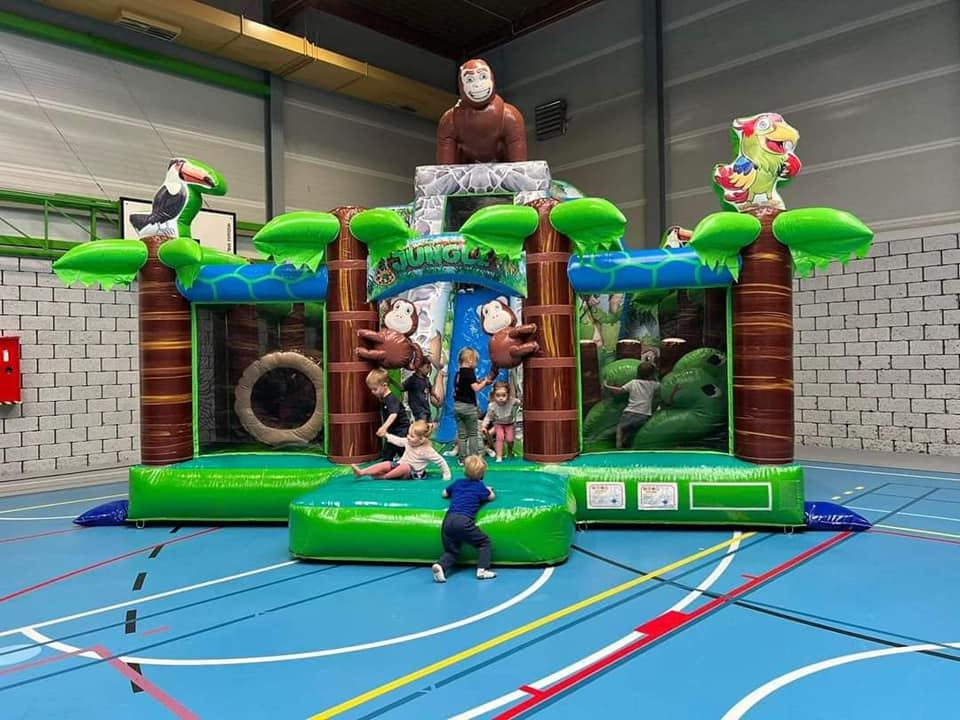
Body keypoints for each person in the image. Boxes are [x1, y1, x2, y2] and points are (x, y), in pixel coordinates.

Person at [432, 455, 496, 582]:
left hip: (448, 520)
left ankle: (441, 565)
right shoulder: (479, 487)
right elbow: (491, 497)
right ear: (482, 475)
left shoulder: (458, 483)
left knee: (452, 551)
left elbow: (444, 493)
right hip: (463, 521)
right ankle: (482, 570)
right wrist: (489, 490)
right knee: (484, 542)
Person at [352, 420, 450, 480]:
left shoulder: (427, 450)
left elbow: (441, 461)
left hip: (413, 473)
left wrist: (446, 474)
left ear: (421, 439)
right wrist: (386, 435)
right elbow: (398, 440)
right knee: (387, 463)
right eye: (408, 434)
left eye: (412, 436)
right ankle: (362, 472)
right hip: (399, 466)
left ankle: (384, 477)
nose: (408, 437)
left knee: (405, 467)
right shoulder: (408, 442)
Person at [604, 361, 660, 449]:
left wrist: (606, 386)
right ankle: (628, 443)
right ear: (652, 374)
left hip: (630, 412)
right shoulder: (654, 385)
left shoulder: (633, 382)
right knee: (634, 431)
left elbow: (619, 390)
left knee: (620, 429)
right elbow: (660, 387)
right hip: (644, 414)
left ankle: (619, 446)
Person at [453, 347, 493, 464]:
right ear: (470, 360)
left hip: (457, 406)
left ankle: (462, 459)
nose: (476, 364)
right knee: (473, 434)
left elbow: (466, 385)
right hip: (468, 407)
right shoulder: (469, 372)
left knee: (462, 435)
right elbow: (476, 388)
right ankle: (474, 458)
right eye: (476, 361)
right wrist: (484, 382)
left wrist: (480, 381)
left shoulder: (458, 373)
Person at [366, 368, 410, 461]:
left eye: (375, 389)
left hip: (401, 431)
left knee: (400, 452)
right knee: (390, 452)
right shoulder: (384, 398)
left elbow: (393, 414)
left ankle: (410, 465)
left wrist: (384, 427)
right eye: (371, 389)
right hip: (394, 431)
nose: (372, 392)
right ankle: (390, 463)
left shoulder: (391, 399)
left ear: (385, 385)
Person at [481, 381, 520, 462]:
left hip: (509, 424)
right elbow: (488, 416)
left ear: (508, 395)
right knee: (500, 437)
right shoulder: (492, 405)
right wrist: (484, 426)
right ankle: (499, 456)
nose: (501, 398)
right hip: (498, 424)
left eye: (504, 395)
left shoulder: (512, 401)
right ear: (494, 395)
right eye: (498, 395)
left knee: (510, 439)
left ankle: (510, 452)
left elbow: (520, 402)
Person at [403, 355, 439, 423]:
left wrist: (435, 396)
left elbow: (430, 388)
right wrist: (392, 381)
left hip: (426, 409)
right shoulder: (412, 380)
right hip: (418, 410)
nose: (429, 370)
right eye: (427, 367)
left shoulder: (426, 379)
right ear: (420, 368)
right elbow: (402, 387)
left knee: (428, 425)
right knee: (422, 426)